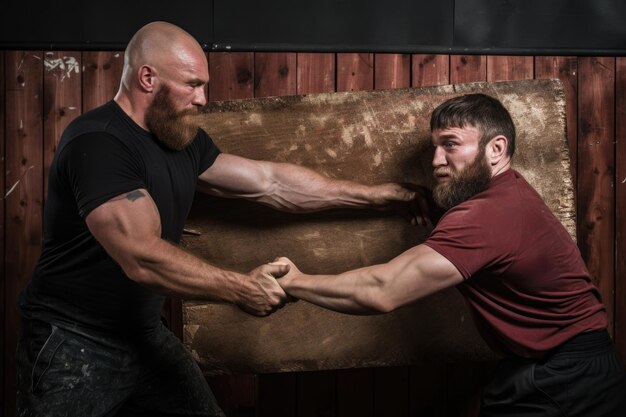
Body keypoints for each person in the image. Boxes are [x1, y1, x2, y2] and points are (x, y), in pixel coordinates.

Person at [15, 21, 427, 417]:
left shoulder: (179, 139)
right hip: (75, 340)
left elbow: (271, 183)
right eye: (192, 85)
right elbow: (141, 256)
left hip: (142, 334)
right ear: (147, 78)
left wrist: (379, 198)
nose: (202, 99)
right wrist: (242, 288)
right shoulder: (99, 143)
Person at [277, 93, 626, 416]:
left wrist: (295, 282)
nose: (436, 161)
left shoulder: (487, 215)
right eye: (435, 147)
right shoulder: (507, 193)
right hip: (555, 367)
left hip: (567, 379)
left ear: (496, 148)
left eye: (451, 145)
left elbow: (381, 290)